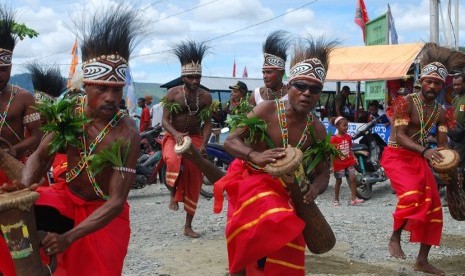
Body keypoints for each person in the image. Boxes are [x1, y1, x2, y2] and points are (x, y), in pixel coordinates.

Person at [0, 5, 143, 275]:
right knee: (12, 217)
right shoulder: (69, 114)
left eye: (117, 89)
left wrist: (69, 237)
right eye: (102, 88)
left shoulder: (128, 133)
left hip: (103, 214)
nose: (111, 98)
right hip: (65, 198)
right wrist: (23, 188)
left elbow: (115, 202)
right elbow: (41, 156)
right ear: (86, 86)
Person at [218, 37, 337, 275]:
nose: (306, 93)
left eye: (314, 89)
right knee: (266, 226)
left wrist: (315, 188)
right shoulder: (267, 110)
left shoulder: (317, 129)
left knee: (286, 244)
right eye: (301, 86)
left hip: (289, 191)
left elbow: (324, 172)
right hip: (252, 181)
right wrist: (254, 155)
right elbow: (230, 141)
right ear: (290, 85)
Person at [380, 44, 457, 276]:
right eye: (429, 81)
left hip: (419, 158)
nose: (432, 86)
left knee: (434, 207)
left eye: (437, 83)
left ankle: (422, 261)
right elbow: (401, 137)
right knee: (413, 195)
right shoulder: (406, 103)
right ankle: (395, 236)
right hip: (397, 156)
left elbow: (442, 144)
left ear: (442, 86)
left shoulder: (442, 112)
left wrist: (449, 161)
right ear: (421, 81)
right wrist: (425, 151)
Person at [161, 40, 212, 238]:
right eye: (191, 77)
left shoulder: (206, 97)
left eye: (198, 76)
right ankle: (173, 194)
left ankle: (188, 225)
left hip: (195, 137)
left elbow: (207, 124)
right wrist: (175, 134)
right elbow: (165, 121)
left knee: (196, 176)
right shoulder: (172, 94)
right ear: (183, 76)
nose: (195, 81)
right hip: (173, 135)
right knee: (173, 159)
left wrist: (204, 144)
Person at [0, 7, 42, 176]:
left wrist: (13, 150)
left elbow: (37, 136)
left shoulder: (24, 97)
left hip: (16, 168)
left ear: (10, 67)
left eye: (3, 69)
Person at [249, 30, 290, 106]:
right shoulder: (256, 94)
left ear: (282, 73)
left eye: (268, 72)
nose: (264, 76)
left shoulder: (291, 94)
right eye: (263, 72)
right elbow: (246, 117)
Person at [330, 116, 364, 206]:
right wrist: (332, 165)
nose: (346, 127)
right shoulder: (334, 139)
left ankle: (353, 199)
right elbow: (332, 153)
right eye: (344, 125)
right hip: (339, 164)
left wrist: (354, 157)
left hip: (349, 162)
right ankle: (336, 199)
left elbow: (350, 149)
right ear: (337, 126)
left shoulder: (348, 137)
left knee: (353, 179)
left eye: (347, 125)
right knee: (339, 181)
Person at [448, 73, 465, 174]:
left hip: (463, 139)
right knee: (453, 162)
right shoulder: (456, 98)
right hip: (455, 136)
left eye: (459, 84)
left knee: (459, 165)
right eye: (454, 85)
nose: (456, 87)